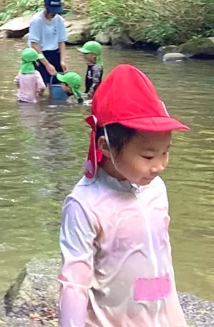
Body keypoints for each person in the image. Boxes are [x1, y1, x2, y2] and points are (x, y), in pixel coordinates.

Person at [58, 64, 189, 327]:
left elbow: (162, 255)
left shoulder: (156, 189)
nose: (160, 166)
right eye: (148, 156)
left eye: (165, 152)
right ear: (105, 146)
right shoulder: (85, 204)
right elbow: (74, 283)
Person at [28, 0, 69, 89]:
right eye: (51, 11)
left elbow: (61, 41)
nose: (53, 14)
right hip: (39, 55)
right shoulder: (37, 20)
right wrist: (47, 65)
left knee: (57, 84)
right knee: (40, 86)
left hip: (55, 53)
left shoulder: (59, 20)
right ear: (45, 6)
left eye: (56, 11)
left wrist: (62, 61)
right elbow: (34, 44)